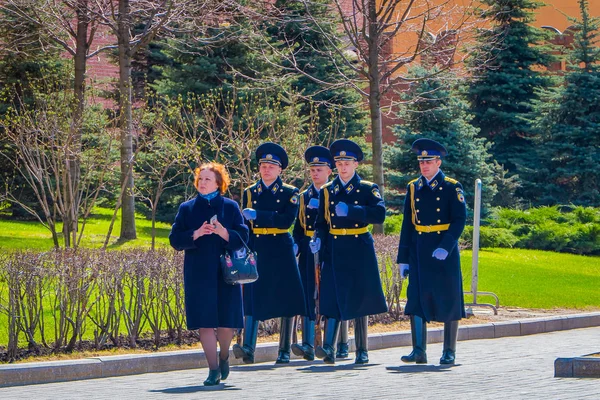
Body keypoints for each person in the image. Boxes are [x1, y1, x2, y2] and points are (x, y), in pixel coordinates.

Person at [169, 162, 249, 386]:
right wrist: (194, 234)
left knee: (226, 323)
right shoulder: (187, 208)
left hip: (227, 273)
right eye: (200, 179)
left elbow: (244, 236)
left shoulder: (231, 207)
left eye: (207, 179)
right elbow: (175, 239)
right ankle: (212, 369)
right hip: (198, 273)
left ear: (218, 183)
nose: (202, 183)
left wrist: (225, 233)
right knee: (205, 322)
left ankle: (224, 356)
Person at [310, 138, 388, 364]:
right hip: (335, 248)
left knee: (360, 298)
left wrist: (353, 210)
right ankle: (329, 349)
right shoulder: (327, 190)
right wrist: (318, 239)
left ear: (356, 165)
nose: (343, 167)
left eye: (347, 163)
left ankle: (362, 350)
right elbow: (322, 223)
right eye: (339, 163)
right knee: (332, 297)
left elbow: (379, 214)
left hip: (359, 247)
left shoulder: (367, 188)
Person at [233, 142, 307, 364]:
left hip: (280, 247)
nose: (266, 169)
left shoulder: (290, 193)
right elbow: (244, 227)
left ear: (280, 170)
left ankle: (284, 350)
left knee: (286, 297)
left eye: (271, 166)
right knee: (253, 298)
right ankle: (248, 347)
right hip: (258, 247)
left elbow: (286, 220)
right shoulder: (249, 192)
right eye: (263, 165)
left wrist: (259, 214)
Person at [396, 138, 467, 365]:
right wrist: (403, 258)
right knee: (416, 297)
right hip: (419, 247)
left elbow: (459, 220)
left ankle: (449, 351)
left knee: (448, 297)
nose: (424, 166)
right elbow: (407, 224)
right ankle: (419, 350)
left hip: (442, 248)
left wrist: (446, 246)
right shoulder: (413, 187)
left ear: (438, 162)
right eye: (421, 162)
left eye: (429, 161)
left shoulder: (451, 186)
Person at [291, 145, 333, 361]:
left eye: (320, 169)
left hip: (329, 249)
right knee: (309, 295)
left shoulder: (334, 192)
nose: (315, 173)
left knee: (328, 295)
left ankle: (334, 344)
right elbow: (298, 228)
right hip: (309, 250)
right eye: (312, 170)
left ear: (329, 171)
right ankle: (308, 343)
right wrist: (297, 244)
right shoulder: (303, 196)